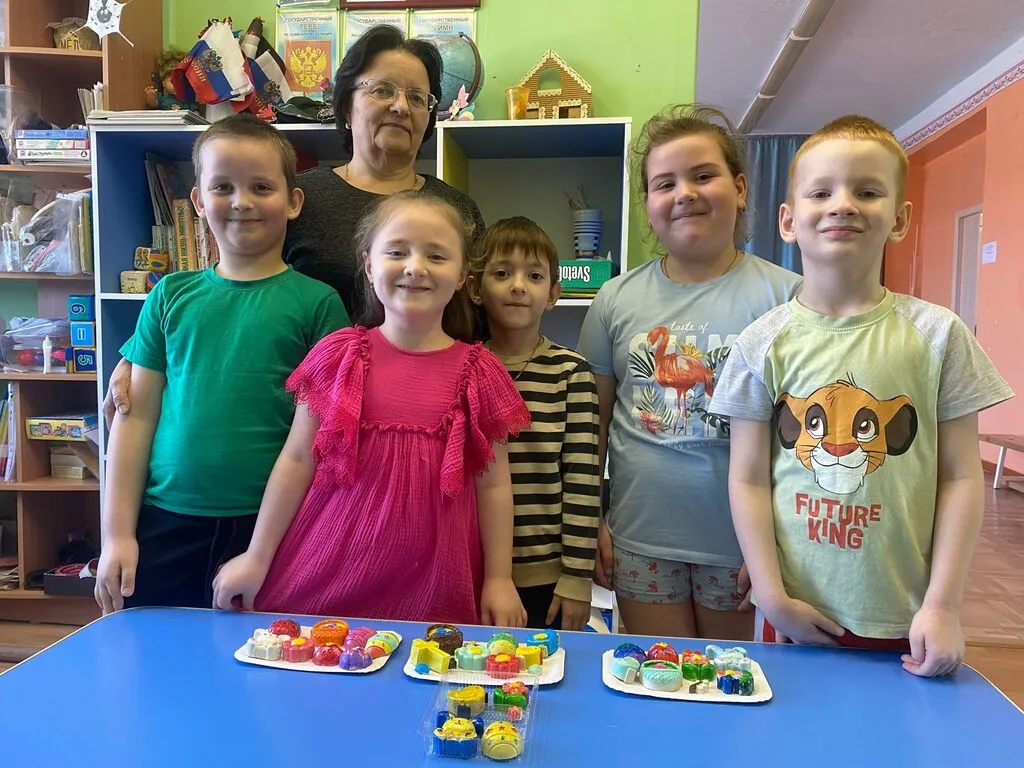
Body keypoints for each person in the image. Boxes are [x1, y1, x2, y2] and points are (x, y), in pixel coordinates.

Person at [709, 115, 1013, 677]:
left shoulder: (940, 336)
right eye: (821, 192)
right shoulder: (760, 343)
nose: (843, 204)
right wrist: (772, 596)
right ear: (788, 220)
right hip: (795, 616)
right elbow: (748, 478)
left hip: (906, 617)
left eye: (867, 191)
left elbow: (961, 476)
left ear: (899, 218)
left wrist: (943, 605)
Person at [102, 24, 485, 423]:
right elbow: (230, 285)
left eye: (417, 97)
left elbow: (480, 320)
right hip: (296, 417)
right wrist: (139, 356)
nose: (401, 107)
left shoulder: (454, 210)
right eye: (382, 90)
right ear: (346, 105)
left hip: (424, 416)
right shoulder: (294, 198)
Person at [211, 191, 530, 627]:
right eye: (397, 252)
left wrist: (499, 578)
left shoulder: (480, 374)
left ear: (462, 276)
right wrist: (257, 556)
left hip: (436, 586)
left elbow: (493, 487)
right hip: (328, 575)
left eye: (436, 256)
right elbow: (297, 460)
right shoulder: (339, 357)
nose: (415, 267)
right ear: (368, 265)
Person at [94, 114, 349, 613]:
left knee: (261, 654)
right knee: (156, 650)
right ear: (197, 201)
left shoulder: (319, 304)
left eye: (261, 187)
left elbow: (316, 440)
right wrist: (116, 535)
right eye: (222, 187)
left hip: (270, 527)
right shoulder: (169, 294)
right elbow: (134, 418)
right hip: (163, 520)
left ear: (293, 201)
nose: (241, 201)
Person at [577, 104, 801, 640]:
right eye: (665, 183)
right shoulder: (615, 299)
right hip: (640, 539)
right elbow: (592, 427)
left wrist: (777, 548)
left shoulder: (788, 298)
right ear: (648, 203)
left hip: (743, 547)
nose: (685, 194)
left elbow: (799, 442)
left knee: (727, 677)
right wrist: (590, 522)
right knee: (656, 675)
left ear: (740, 188)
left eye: (703, 176)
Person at [468, 216, 601, 631]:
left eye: (534, 275)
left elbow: (582, 478)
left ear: (553, 293)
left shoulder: (571, 371)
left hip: (550, 574)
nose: (518, 286)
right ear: (474, 288)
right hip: (474, 566)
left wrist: (577, 577)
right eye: (501, 273)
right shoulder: (463, 367)